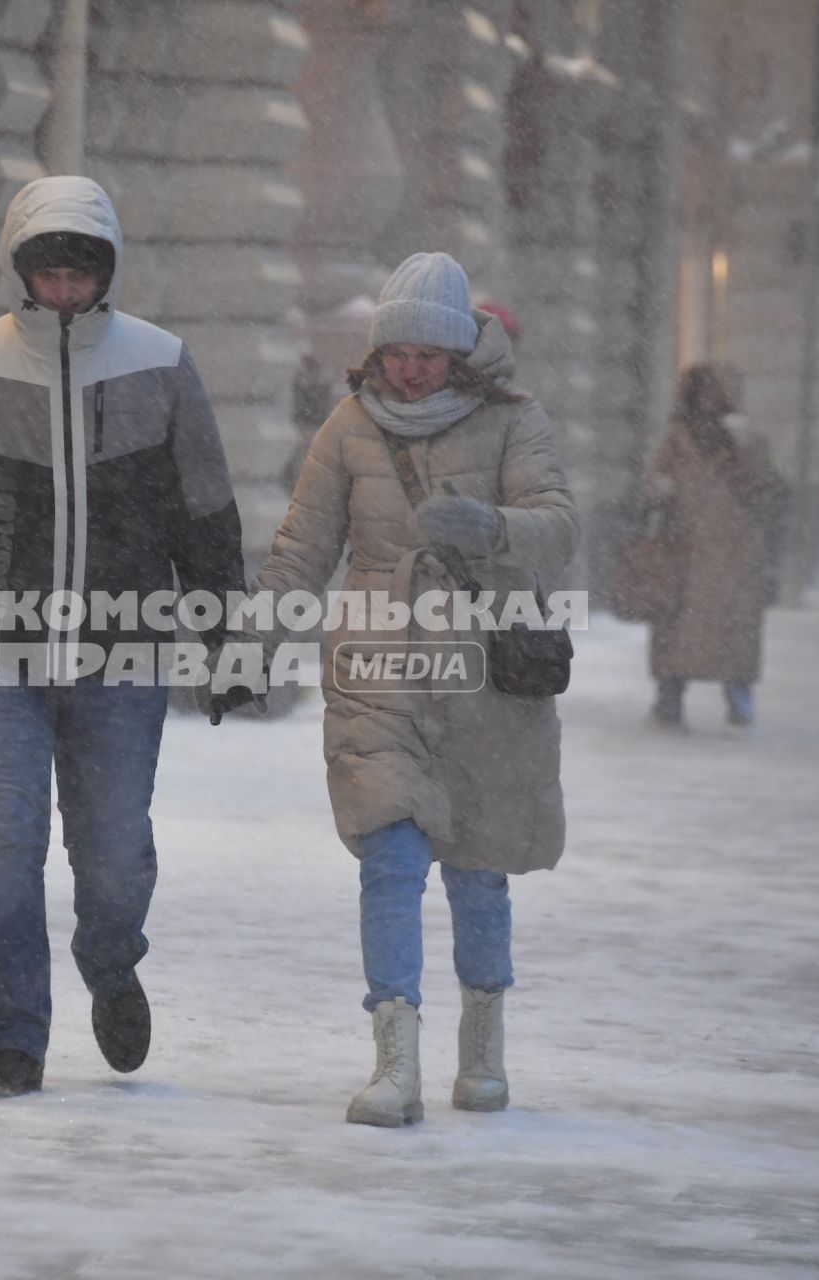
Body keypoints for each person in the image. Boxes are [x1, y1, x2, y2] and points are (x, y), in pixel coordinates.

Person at [0, 176, 243, 1098]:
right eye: (49, 271)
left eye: (81, 272)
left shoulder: (159, 364)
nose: (65, 289)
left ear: (106, 271)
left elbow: (207, 517)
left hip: (126, 652)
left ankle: (110, 966)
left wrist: (227, 643)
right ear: (22, 270)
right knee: (1, 845)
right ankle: (12, 1042)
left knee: (113, 859)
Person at [223, 252, 577, 1126]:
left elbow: (560, 527)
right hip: (376, 664)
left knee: (479, 865)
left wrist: (493, 526)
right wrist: (251, 647)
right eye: (397, 352)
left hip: (485, 669)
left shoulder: (515, 422)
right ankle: (394, 1061)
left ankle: (483, 1046)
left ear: (459, 352)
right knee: (388, 855)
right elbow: (304, 549)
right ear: (376, 352)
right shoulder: (347, 427)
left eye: (429, 352)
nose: (412, 369)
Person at [642, 363, 785, 733]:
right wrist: (660, 487)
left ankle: (739, 706)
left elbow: (763, 486)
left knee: (733, 636)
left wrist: (745, 444)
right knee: (676, 632)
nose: (706, 400)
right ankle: (669, 704)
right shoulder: (678, 437)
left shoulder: (747, 438)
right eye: (700, 391)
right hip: (683, 549)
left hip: (734, 553)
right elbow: (653, 483)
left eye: (713, 391)